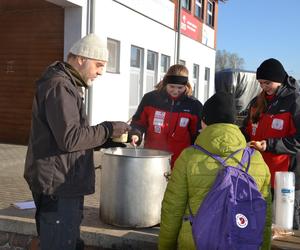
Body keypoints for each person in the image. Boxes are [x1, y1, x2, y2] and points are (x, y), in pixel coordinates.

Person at [24, 33, 130, 250]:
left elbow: (70, 135)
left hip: (63, 181)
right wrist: (108, 128)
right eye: (98, 65)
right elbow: (70, 138)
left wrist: (107, 140)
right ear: (81, 58)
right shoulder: (59, 86)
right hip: (57, 185)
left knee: (67, 241)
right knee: (59, 244)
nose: (101, 72)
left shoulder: (67, 84)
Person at [158, 92, 272, 250]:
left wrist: (166, 247)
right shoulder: (257, 159)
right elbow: (264, 216)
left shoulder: (189, 157)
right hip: (242, 242)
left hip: (195, 242)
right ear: (234, 123)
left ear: (204, 121)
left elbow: (172, 209)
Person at [240, 58, 300, 197]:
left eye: (267, 83)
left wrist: (269, 145)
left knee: (285, 218)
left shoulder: (295, 101)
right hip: (257, 174)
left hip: (285, 178)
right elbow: (247, 129)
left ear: (280, 80)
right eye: (260, 83)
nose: (263, 87)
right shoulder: (257, 102)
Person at [129, 64, 203, 168]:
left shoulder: (194, 105)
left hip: (181, 162)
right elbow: (138, 123)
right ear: (165, 83)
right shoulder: (150, 99)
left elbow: (197, 135)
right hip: (152, 159)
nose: (175, 91)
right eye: (171, 86)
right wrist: (135, 134)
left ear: (186, 85)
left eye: (180, 87)